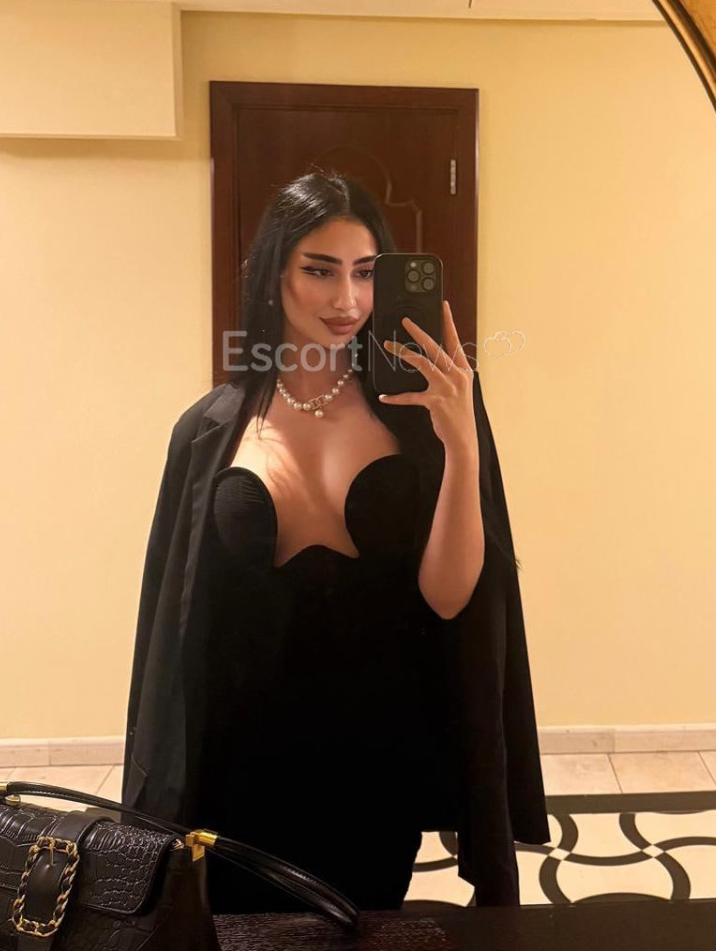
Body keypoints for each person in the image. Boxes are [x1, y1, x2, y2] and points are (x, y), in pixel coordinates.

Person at [122, 170, 550, 912]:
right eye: (320, 271)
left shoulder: (421, 415)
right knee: (238, 930)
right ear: (275, 275)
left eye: (364, 272)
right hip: (236, 761)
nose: (346, 299)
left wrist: (461, 444)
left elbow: (452, 598)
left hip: (375, 754)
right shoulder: (209, 429)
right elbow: (173, 626)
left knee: (363, 922)